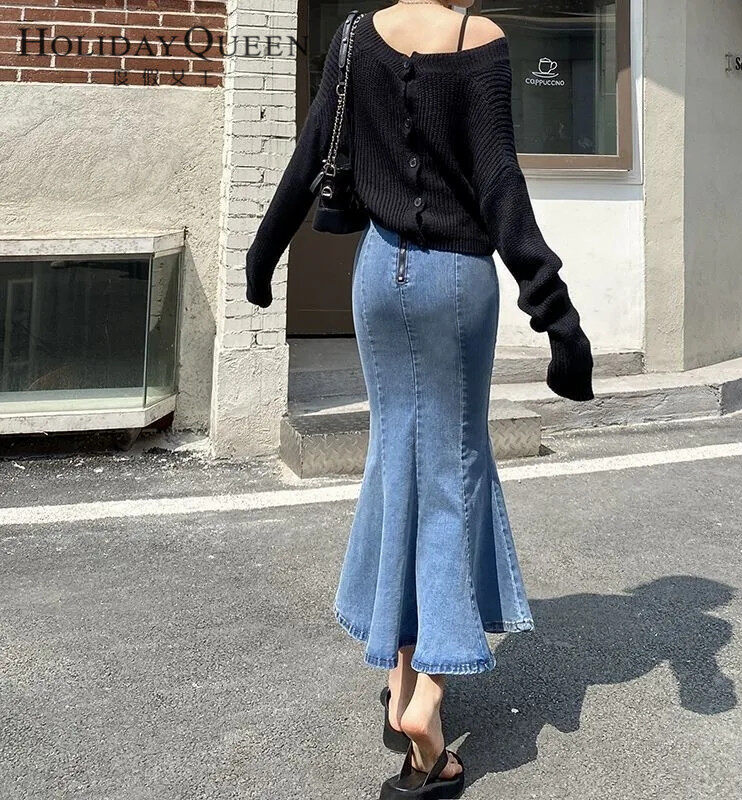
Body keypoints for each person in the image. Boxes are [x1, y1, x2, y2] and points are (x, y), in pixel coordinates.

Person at [245, 2, 595, 797]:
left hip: (379, 274)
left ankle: (399, 674)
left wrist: (264, 255)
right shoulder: (480, 39)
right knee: (454, 473)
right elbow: (499, 181)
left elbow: (310, 151)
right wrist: (556, 314)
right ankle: (427, 706)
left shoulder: (356, 31)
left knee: (398, 463)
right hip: (454, 283)